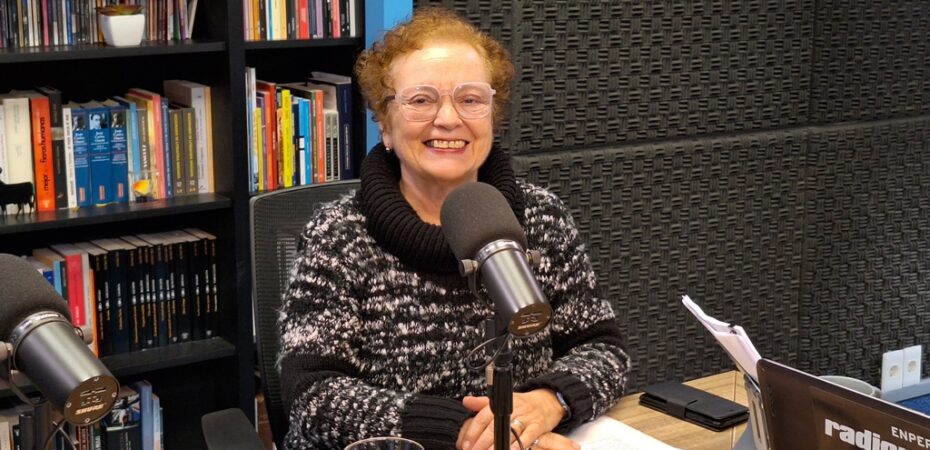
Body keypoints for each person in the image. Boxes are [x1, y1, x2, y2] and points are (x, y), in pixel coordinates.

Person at [277, 7, 630, 450]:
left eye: (470, 99)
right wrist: (463, 431)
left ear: (492, 114)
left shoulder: (542, 216)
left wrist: (548, 400)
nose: (448, 119)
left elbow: (603, 348)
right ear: (385, 124)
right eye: (421, 100)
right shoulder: (338, 235)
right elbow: (312, 395)